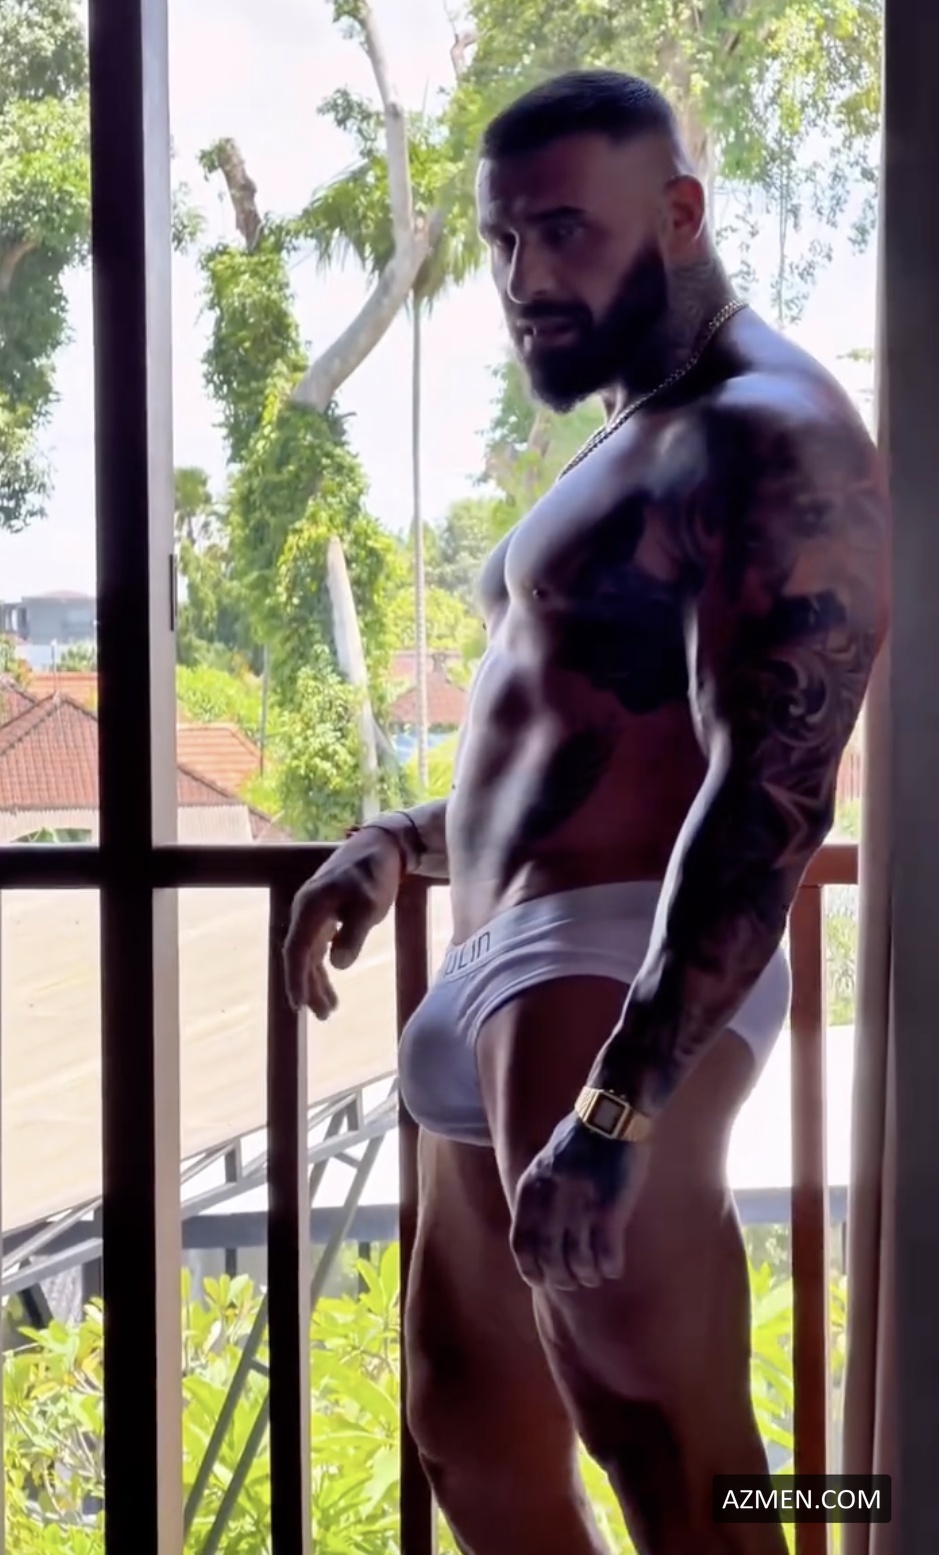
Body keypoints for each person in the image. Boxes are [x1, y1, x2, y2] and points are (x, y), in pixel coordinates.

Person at [284, 68, 889, 1555]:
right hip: (501, 971)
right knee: (470, 1439)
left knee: (678, 1461)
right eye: (502, 240)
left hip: (613, 975)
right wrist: (400, 842)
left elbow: (772, 790)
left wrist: (622, 1102)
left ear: (679, 213)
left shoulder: (772, 433)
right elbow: (575, 739)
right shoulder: (637, 434)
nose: (523, 278)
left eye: (564, 231)